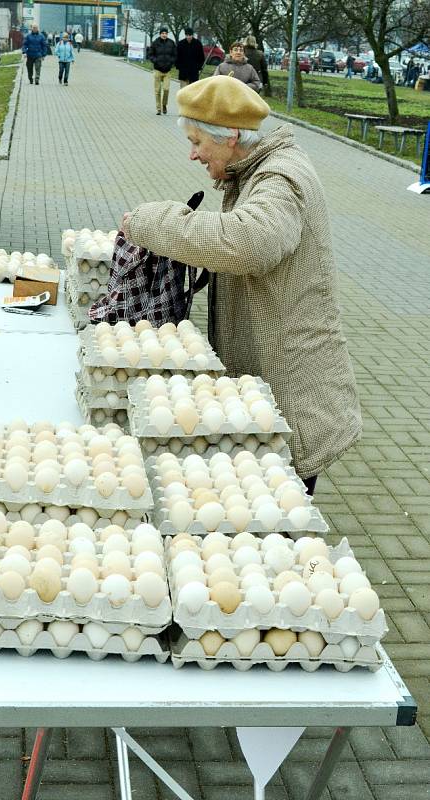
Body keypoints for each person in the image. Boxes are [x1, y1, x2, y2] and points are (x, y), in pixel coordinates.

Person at [122, 76, 362, 489]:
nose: (193, 154)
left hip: (291, 397)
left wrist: (153, 222)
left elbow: (247, 243)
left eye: (198, 141)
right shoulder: (254, 171)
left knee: (279, 523)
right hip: (267, 393)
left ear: (231, 135)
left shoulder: (280, 179)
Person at [149, 26, 177, 115]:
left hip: (167, 70)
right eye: (163, 33)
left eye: (166, 33)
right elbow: (150, 54)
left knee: (166, 89)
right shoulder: (155, 43)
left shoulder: (171, 43)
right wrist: (155, 61)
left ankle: (164, 104)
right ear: (160, 34)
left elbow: (175, 55)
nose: (164, 35)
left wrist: (171, 62)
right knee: (157, 91)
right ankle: (158, 109)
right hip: (157, 70)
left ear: (167, 34)